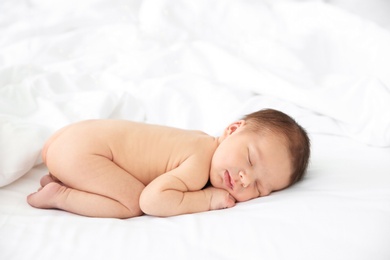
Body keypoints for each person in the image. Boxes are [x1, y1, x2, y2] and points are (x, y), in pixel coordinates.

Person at [27, 108, 310, 219]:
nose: (245, 179)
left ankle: (64, 178)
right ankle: (60, 194)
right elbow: (153, 201)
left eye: (259, 187)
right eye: (250, 160)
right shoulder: (199, 162)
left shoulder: (199, 141)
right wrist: (208, 199)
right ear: (232, 130)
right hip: (83, 151)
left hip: (72, 140)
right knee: (132, 204)